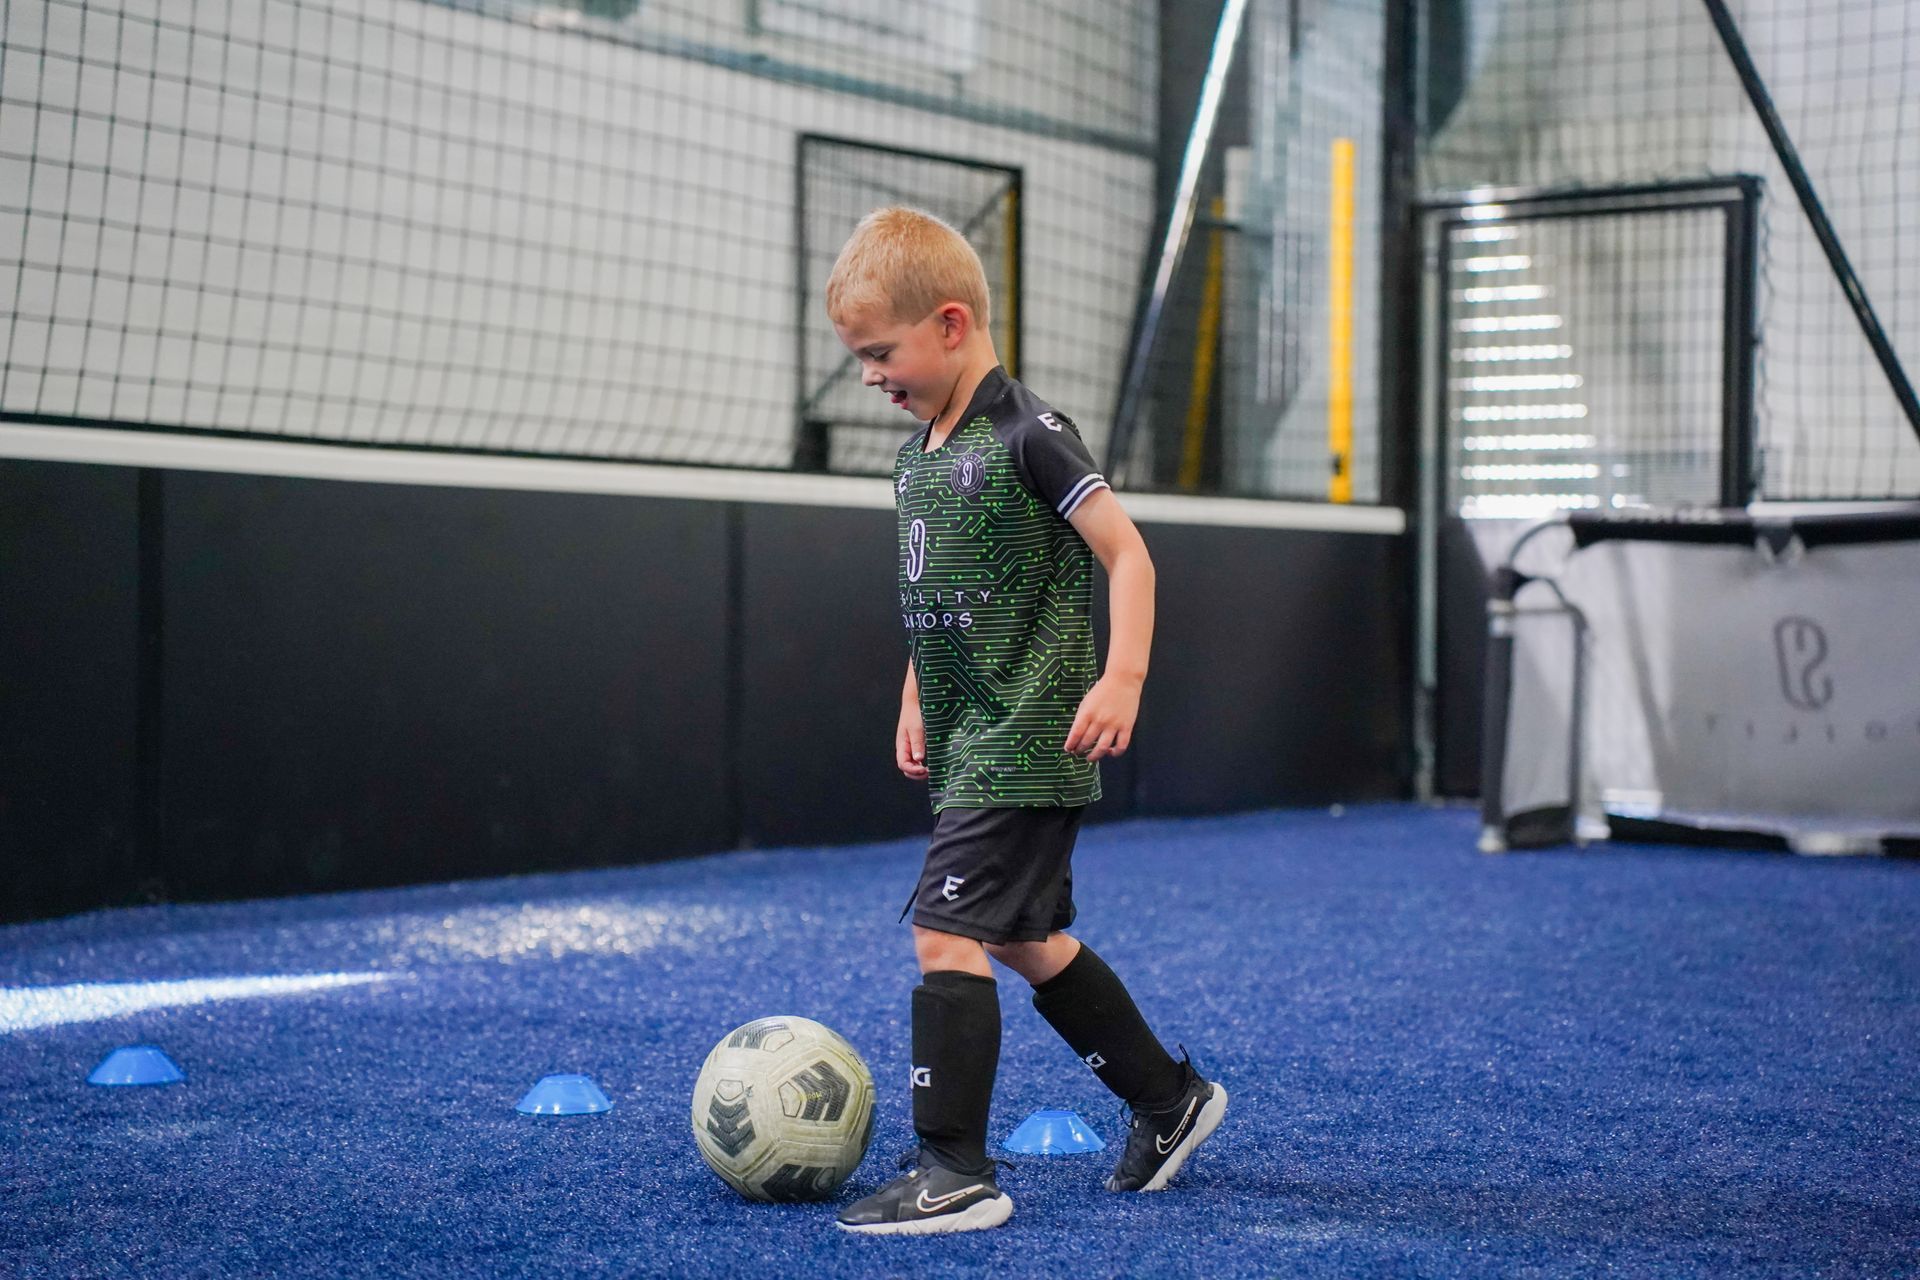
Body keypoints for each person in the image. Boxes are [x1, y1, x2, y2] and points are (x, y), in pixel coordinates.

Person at [823, 207, 1227, 1236]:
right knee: (1024, 935)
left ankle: (953, 1166)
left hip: (1028, 732)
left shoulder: (1029, 434)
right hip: (969, 741)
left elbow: (1128, 552)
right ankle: (1169, 1097)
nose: (870, 373)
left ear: (951, 323)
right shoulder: (917, 458)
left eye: (881, 351)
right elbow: (937, 591)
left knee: (944, 926)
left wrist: (1124, 673)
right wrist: (919, 691)